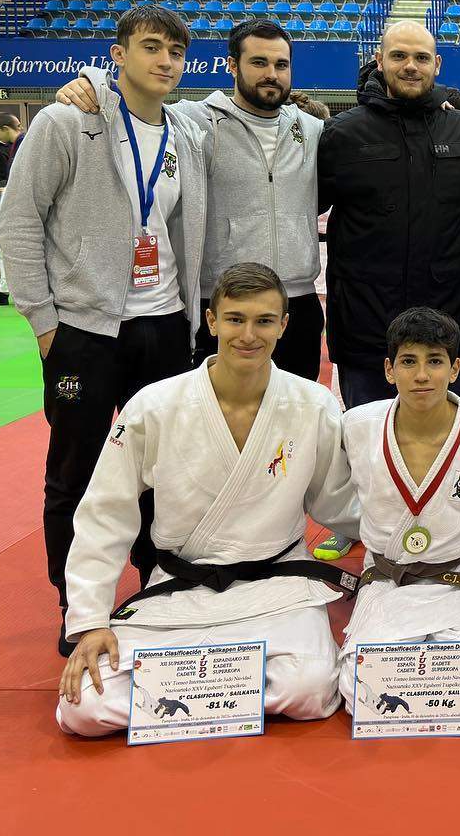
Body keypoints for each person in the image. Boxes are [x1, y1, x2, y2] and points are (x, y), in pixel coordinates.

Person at [55, 263, 359, 735]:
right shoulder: (155, 406)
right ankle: (227, 689)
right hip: (180, 585)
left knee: (313, 689)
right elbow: (105, 515)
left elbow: (337, 502)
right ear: (212, 321)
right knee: (84, 708)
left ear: (283, 325)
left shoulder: (312, 404)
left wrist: (411, 543)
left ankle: (195, 691)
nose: (248, 335)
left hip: (275, 583)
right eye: (235, 319)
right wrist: (91, 620)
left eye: (263, 321)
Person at [0, 5, 205, 654]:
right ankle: (76, 605)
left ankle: (155, 590)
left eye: (174, 50)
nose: (164, 60)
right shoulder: (68, 122)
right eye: (150, 47)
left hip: (165, 325)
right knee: (77, 472)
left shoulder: (185, 131)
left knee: (162, 472)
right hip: (84, 332)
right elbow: (20, 222)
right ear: (117, 55)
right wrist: (41, 324)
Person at [56, 19, 326, 382]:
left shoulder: (310, 129)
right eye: (258, 62)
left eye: (281, 65)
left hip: (297, 302)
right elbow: (130, 103)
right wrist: (88, 83)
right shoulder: (190, 120)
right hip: (219, 300)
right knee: (210, 425)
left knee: (295, 419)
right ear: (232, 65)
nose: (271, 74)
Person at [335, 306, 460, 717]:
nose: (421, 375)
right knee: (358, 693)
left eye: (434, 362)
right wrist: (368, 529)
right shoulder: (356, 425)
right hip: (388, 574)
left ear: (455, 369)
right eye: (409, 362)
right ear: (388, 368)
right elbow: (332, 496)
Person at [317, 21, 460, 409]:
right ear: (379, 60)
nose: (410, 66)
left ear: (437, 64)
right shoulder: (341, 135)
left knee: (453, 448)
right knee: (368, 448)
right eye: (399, 56)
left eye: (421, 58)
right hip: (366, 331)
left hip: (448, 327)